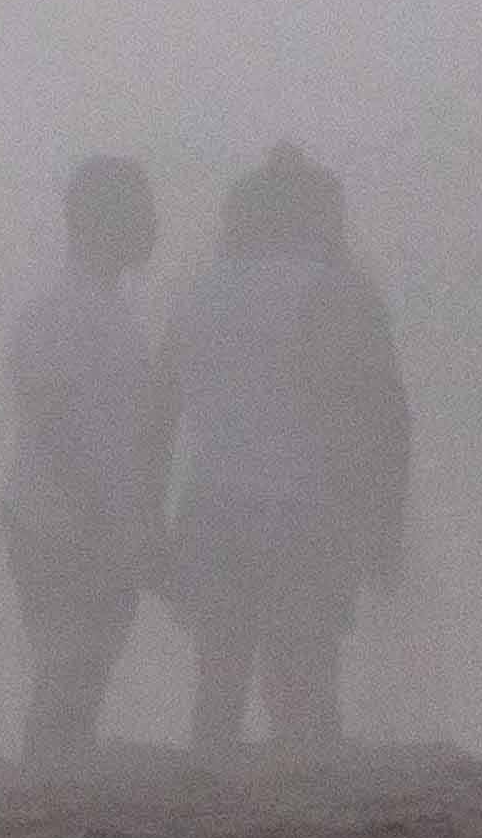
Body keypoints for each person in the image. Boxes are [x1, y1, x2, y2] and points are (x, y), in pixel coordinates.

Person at [156, 143, 411, 754]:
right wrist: (387, 520)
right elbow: (385, 414)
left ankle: (211, 798)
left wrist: (149, 520)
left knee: (219, 681)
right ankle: (305, 802)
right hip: (308, 510)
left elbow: (159, 415)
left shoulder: (200, 293)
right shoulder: (339, 290)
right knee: (306, 685)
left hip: (213, 509)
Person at [0, 154, 167, 763]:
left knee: (83, 670)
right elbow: (51, 415)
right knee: (69, 665)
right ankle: (46, 782)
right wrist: (104, 513)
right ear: (101, 219)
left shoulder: (105, 306)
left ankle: (57, 779)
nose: (152, 224)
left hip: (87, 518)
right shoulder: (62, 306)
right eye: (138, 210)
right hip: (59, 522)